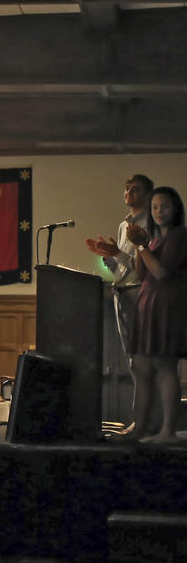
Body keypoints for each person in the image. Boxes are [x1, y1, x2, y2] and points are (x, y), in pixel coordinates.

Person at [86, 174, 155, 433]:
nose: (129, 192)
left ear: (148, 194)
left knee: (142, 360)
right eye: (126, 188)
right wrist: (109, 258)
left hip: (140, 292)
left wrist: (118, 254)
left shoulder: (150, 223)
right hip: (121, 291)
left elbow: (142, 267)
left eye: (135, 189)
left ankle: (144, 422)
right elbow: (124, 265)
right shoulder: (123, 224)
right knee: (132, 360)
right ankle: (142, 420)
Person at [127, 186, 187, 445]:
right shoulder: (154, 239)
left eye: (164, 206)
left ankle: (167, 430)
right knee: (142, 366)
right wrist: (139, 246)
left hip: (167, 306)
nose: (159, 212)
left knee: (164, 366)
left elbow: (162, 273)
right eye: (154, 207)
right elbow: (142, 275)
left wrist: (142, 247)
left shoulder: (179, 236)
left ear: (176, 209)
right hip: (148, 304)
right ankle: (141, 426)